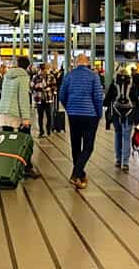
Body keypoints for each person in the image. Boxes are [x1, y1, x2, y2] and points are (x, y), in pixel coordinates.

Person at [59, 54, 103, 189]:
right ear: (88, 63)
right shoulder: (93, 76)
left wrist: (69, 107)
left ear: (76, 63)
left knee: (76, 145)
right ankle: (76, 174)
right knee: (88, 146)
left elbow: (62, 95)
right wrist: (99, 114)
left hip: (73, 114)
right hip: (90, 115)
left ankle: (80, 173)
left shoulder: (69, 75)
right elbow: (98, 97)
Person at [0, 55, 39, 178]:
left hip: (5, 112)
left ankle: (5, 167)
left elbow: (3, 94)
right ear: (28, 66)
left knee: (7, 142)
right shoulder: (23, 77)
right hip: (16, 114)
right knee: (27, 141)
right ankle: (27, 167)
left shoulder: (7, 76)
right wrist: (26, 118)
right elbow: (23, 98)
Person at [104, 65, 139, 171]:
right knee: (126, 137)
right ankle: (125, 163)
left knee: (118, 135)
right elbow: (138, 101)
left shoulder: (114, 85)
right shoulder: (132, 85)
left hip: (116, 114)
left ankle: (118, 159)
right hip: (129, 114)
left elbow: (107, 101)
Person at [31, 63, 57, 137]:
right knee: (40, 116)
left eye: (44, 69)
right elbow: (32, 87)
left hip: (48, 99)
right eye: (41, 69)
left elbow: (55, 86)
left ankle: (48, 129)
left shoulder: (51, 76)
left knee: (49, 116)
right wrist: (37, 86)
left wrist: (50, 89)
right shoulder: (35, 77)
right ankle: (41, 131)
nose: (43, 71)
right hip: (39, 99)